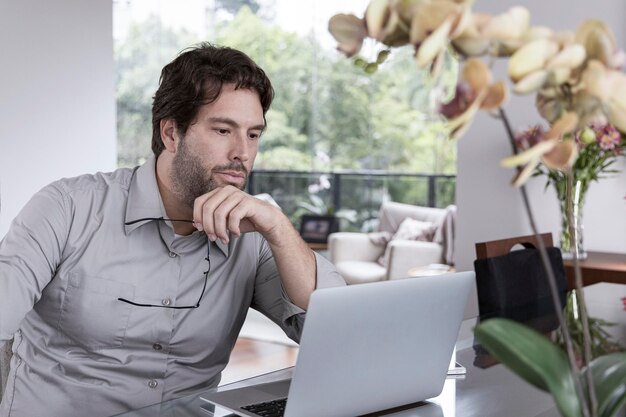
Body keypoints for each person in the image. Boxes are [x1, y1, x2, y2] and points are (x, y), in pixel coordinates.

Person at [0, 43, 345, 417]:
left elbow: (337, 337)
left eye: (253, 135)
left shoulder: (256, 232)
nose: (242, 153)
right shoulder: (67, 207)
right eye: (223, 130)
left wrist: (278, 227)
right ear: (170, 133)